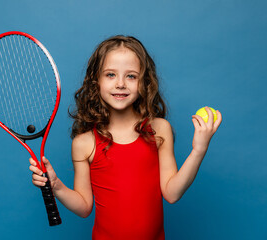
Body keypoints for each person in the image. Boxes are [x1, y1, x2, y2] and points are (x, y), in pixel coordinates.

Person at [29, 35, 222, 240]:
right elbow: (84, 207)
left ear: (144, 82)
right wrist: (57, 185)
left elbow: (172, 194)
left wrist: (199, 150)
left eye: (131, 76)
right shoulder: (84, 143)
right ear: (97, 80)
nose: (120, 84)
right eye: (110, 74)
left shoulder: (159, 130)